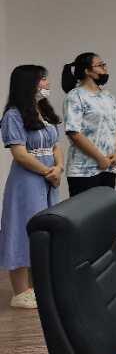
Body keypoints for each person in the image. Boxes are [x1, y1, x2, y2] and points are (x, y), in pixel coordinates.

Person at [0, 66, 63, 309]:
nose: (47, 83)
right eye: (42, 79)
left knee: (46, 231)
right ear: (29, 83)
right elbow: (20, 154)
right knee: (21, 229)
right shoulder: (13, 115)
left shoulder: (43, 111)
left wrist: (58, 168)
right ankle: (20, 292)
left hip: (50, 180)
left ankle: (40, 285)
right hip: (27, 182)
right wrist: (48, 172)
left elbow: (56, 146)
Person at [62, 52, 116, 196]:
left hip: (109, 166)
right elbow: (74, 133)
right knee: (85, 209)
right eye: (100, 65)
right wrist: (100, 158)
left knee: (106, 208)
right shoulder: (75, 96)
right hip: (83, 170)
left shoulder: (108, 96)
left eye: (104, 64)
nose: (105, 68)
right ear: (87, 71)